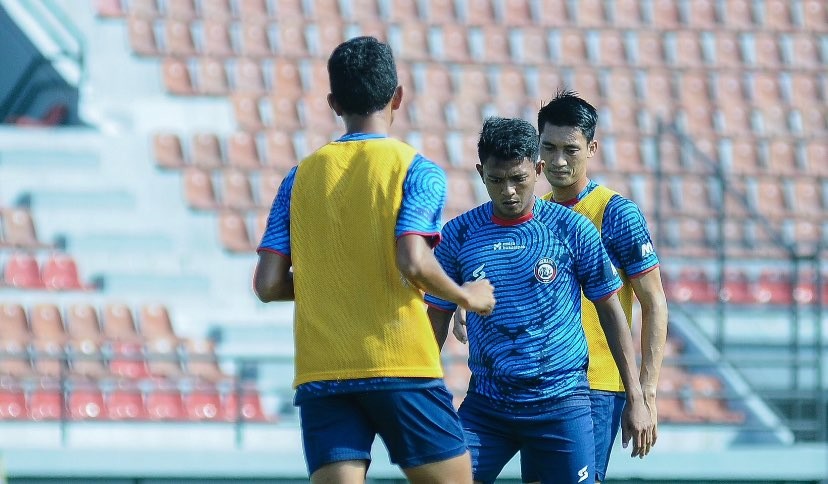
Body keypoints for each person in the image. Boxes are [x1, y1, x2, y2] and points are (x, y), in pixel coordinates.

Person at [253, 36, 495, 484]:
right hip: (399, 363)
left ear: (333, 103)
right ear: (398, 96)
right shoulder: (416, 169)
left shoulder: (298, 177)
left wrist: (333, 282)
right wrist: (469, 297)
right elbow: (413, 260)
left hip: (323, 370)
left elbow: (267, 285)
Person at [426, 116, 653, 484]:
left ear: (538, 169)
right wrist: (424, 391)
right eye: (497, 181)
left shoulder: (572, 229)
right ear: (481, 172)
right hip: (488, 405)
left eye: (519, 179)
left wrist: (637, 397)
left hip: (561, 403)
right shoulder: (459, 234)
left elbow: (611, 311)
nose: (509, 191)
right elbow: (435, 318)